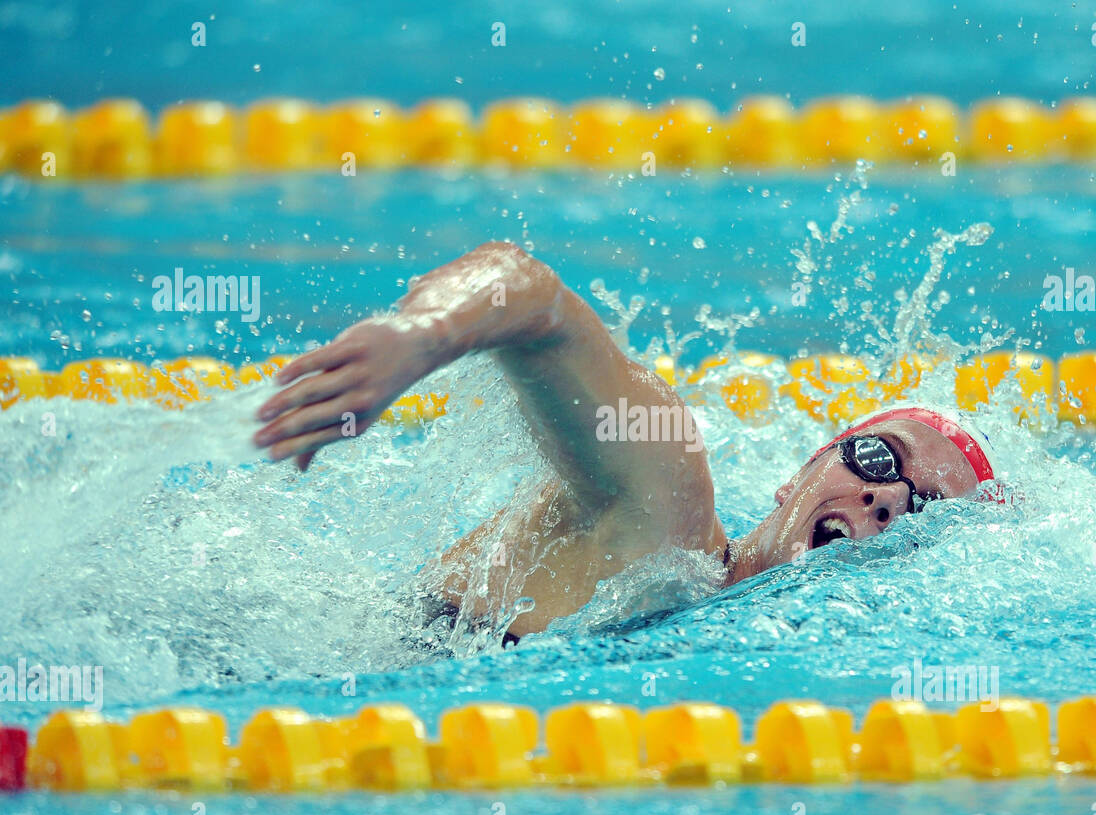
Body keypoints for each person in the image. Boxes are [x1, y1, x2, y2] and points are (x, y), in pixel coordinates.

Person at [252, 242, 996, 645]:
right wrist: (422, 334)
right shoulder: (668, 503)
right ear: (801, 471)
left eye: (925, 509)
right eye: (879, 459)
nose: (888, 499)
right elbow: (533, 294)